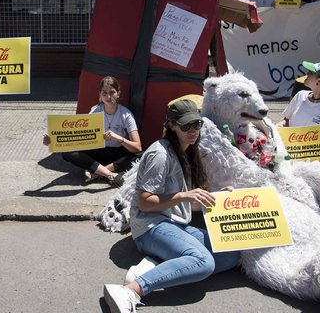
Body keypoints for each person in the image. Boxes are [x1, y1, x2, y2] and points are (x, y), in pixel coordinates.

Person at [103, 99, 240, 313]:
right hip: (150, 227)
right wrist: (184, 195)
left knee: (230, 254)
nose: (192, 130)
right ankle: (132, 289)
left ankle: (154, 266)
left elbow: (185, 202)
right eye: (186, 126)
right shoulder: (160, 155)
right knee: (203, 262)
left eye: (196, 125)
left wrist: (216, 198)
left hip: (173, 222)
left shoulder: (184, 150)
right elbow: (145, 203)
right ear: (172, 125)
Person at [43, 76, 142, 186]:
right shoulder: (95, 112)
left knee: (141, 156)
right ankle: (110, 174)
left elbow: (137, 147)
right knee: (67, 152)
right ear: (100, 94)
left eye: (112, 92)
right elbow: (78, 137)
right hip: (98, 151)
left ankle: (97, 172)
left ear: (118, 93)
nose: (108, 96)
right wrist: (53, 140)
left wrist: (119, 138)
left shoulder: (126, 114)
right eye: (104, 93)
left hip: (117, 153)